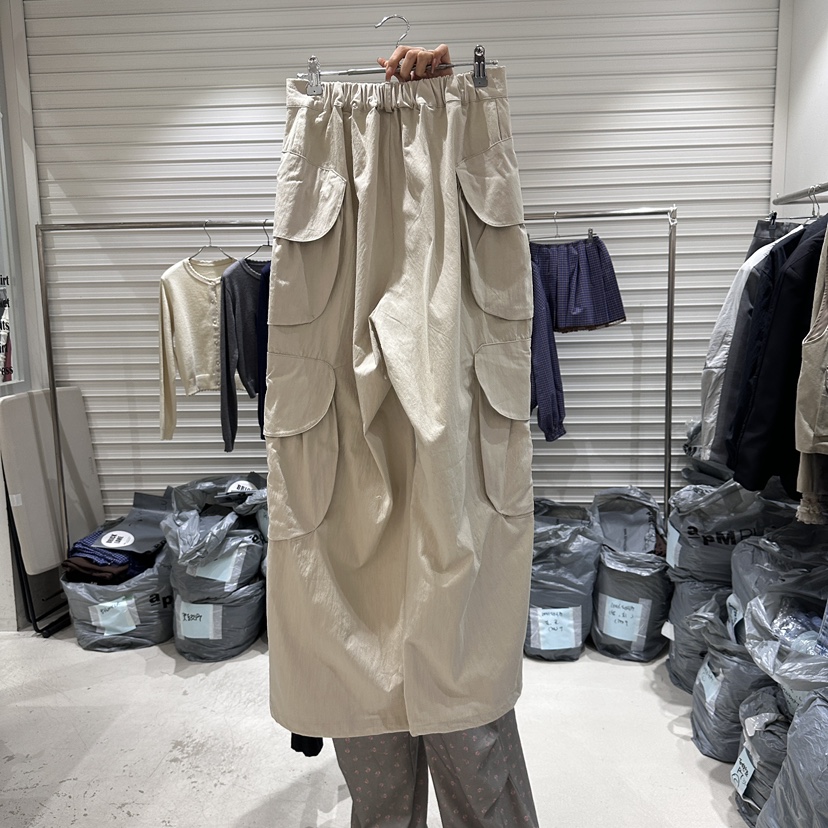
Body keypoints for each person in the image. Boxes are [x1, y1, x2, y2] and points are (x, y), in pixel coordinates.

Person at [312, 43, 542, 828]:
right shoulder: (327, 138)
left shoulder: (459, 125)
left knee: (463, 689)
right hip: (336, 167)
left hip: (450, 150)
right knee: (361, 680)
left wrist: (438, 112)